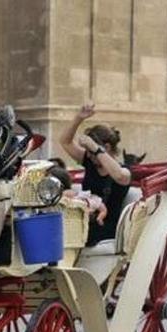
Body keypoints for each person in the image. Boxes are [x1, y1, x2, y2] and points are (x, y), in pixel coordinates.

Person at [58, 103, 132, 246]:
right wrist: (79, 118)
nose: (89, 156)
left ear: (107, 147)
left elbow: (119, 176)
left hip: (104, 227)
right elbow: (65, 142)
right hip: (82, 220)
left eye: (91, 152)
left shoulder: (123, 171)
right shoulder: (90, 161)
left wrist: (96, 149)